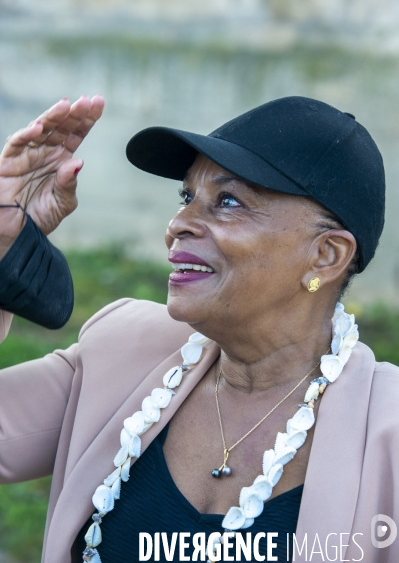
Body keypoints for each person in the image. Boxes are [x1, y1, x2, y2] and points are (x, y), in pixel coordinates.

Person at [0, 95, 398, 563]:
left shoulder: (387, 429)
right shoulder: (122, 350)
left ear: (326, 255)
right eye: (187, 197)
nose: (177, 225)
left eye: (227, 202)